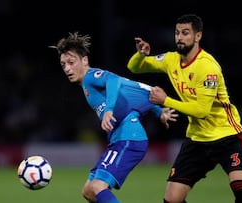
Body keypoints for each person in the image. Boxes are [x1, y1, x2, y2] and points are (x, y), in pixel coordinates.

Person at [127, 14, 242, 203]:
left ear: (198, 36)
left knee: (241, 190)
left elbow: (201, 111)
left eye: (185, 33)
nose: (179, 37)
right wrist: (140, 55)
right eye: (177, 33)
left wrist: (165, 100)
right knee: (171, 200)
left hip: (227, 135)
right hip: (197, 140)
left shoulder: (207, 67)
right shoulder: (171, 60)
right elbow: (134, 68)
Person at [50, 31, 178, 203]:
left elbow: (114, 80)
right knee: (88, 191)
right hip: (120, 139)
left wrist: (109, 110)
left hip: (129, 139)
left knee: (97, 187)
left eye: (71, 62)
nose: (67, 68)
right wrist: (159, 112)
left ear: (85, 60)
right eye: (63, 64)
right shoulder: (86, 85)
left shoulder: (90, 76)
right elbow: (131, 92)